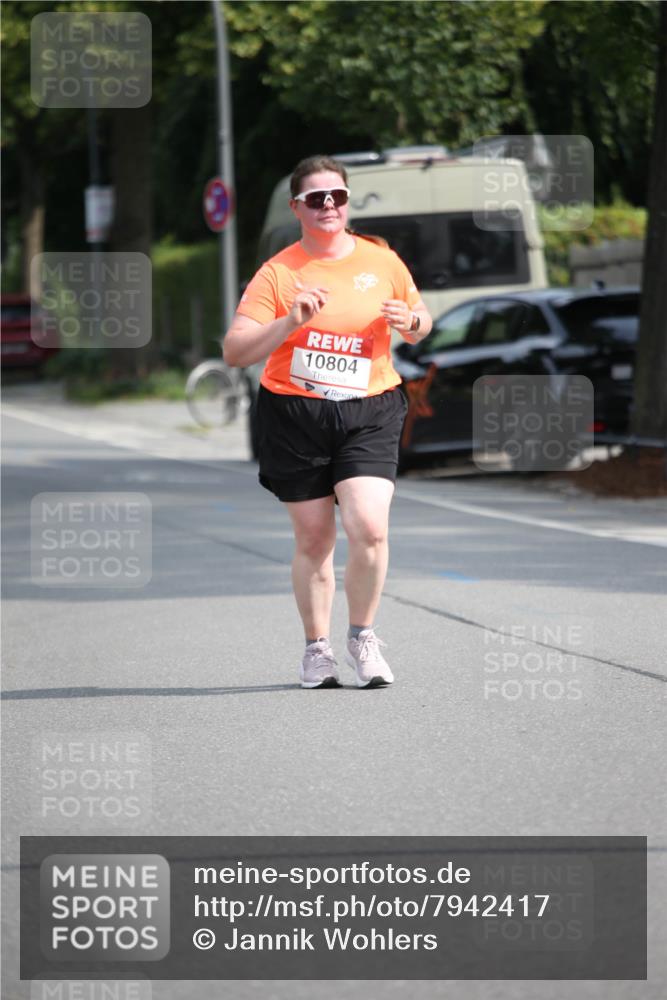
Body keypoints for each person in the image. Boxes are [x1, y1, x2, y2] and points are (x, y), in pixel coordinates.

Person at [223, 155, 432, 689]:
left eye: (337, 196)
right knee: (315, 540)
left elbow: (419, 320)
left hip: (370, 408)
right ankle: (317, 649)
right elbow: (235, 350)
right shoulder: (279, 273)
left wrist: (411, 323)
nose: (329, 206)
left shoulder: (381, 260)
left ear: (347, 200)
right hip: (295, 413)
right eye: (316, 199)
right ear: (297, 208)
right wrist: (290, 321)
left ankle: (362, 637)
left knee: (369, 526)